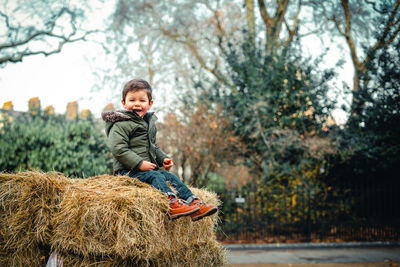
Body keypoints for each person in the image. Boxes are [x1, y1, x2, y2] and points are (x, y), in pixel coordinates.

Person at [102, 78, 217, 221]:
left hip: (146, 171)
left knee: (170, 177)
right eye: (132, 100)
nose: (137, 103)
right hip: (128, 172)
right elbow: (118, 149)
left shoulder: (148, 123)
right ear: (124, 103)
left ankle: (193, 203)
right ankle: (171, 204)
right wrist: (139, 164)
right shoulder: (120, 124)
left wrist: (163, 159)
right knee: (155, 176)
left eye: (142, 100)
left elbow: (152, 146)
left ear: (150, 104)